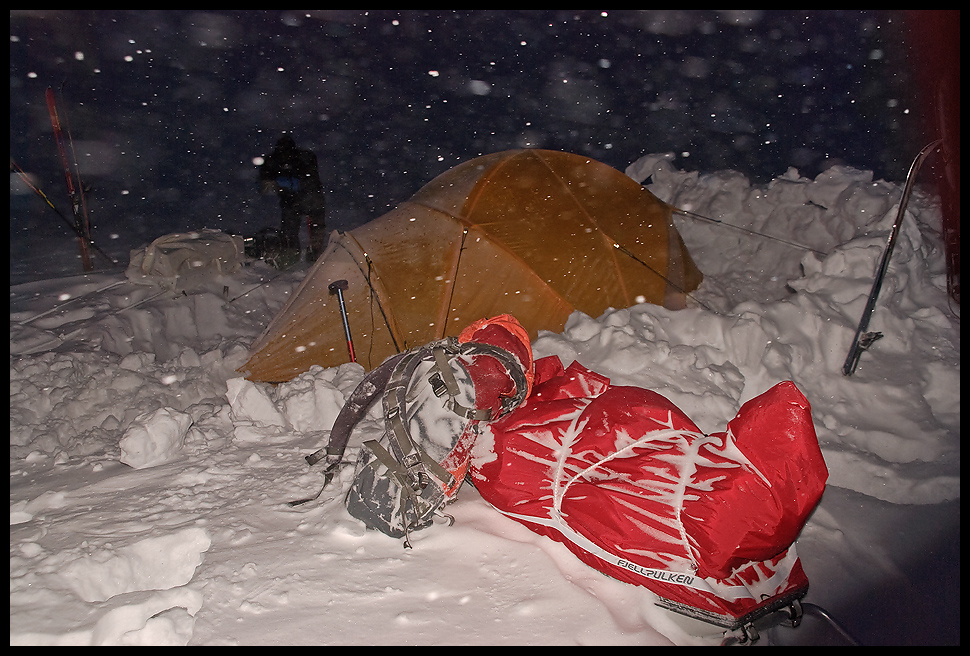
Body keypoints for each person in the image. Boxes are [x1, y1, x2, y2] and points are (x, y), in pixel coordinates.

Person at [259, 134, 326, 262]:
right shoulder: (275, 161)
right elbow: (264, 185)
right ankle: (297, 254)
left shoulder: (302, 158)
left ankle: (305, 254)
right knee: (296, 229)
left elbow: (310, 179)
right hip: (295, 199)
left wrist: (280, 183)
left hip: (307, 197)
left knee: (309, 227)